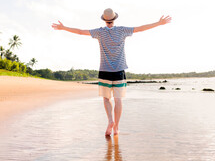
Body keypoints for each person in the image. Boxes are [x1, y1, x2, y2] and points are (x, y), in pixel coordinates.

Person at [52, 8, 171, 136]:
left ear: (105, 20)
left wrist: (64, 28)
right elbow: (140, 28)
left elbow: (81, 32)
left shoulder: (99, 32)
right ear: (114, 19)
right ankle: (116, 128)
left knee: (106, 98)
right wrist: (159, 23)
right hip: (119, 70)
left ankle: (110, 120)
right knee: (118, 99)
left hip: (104, 70)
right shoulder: (122, 30)